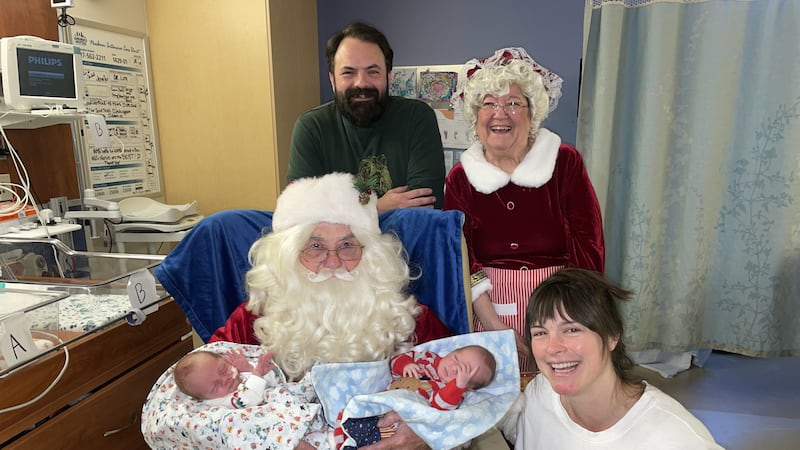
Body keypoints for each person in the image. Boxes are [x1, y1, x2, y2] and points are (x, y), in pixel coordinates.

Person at [210, 172, 451, 449]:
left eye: (347, 245)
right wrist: (277, 442)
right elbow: (198, 401)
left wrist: (424, 433)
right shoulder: (254, 321)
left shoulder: (406, 319)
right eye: (315, 247)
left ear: (371, 254)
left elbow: (469, 387)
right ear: (287, 255)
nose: (333, 262)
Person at [445, 47, 605, 374]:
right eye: (489, 103)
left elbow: (588, 244)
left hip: (562, 303)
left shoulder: (565, 163)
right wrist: (495, 326)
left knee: (557, 394)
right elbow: (460, 257)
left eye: (513, 104)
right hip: (488, 310)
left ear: (533, 114)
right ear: (476, 116)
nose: (499, 113)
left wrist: (564, 320)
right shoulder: (460, 178)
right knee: (496, 395)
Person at [516, 268, 723, 449]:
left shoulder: (674, 437)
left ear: (612, 336)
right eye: (540, 333)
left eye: (572, 329)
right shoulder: (539, 394)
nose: (553, 347)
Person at [288, 21, 445, 213]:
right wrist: (377, 208)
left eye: (373, 72)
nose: (361, 83)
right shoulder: (312, 128)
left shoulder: (417, 118)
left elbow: (423, 209)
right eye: (348, 72)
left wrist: (340, 212)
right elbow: (301, 214)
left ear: (388, 77)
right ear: (332, 80)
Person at [335, 345, 497, 449]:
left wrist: (457, 386)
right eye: (455, 358)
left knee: (386, 440)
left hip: (403, 421)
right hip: (384, 403)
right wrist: (406, 364)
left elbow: (439, 406)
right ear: (451, 352)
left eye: (463, 371)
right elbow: (395, 361)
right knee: (351, 414)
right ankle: (344, 439)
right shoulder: (428, 359)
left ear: (468, 387)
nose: (454, 367)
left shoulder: (452, 393)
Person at [173, 348, 279, 408]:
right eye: (216, 386)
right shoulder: (221, 403)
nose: (225, 380)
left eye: (223, 370)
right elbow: (248, 399)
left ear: (226, 360)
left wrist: (248, 369)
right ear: (204, 398)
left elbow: (271, 381)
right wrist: (256, 374)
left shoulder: (237, 373)